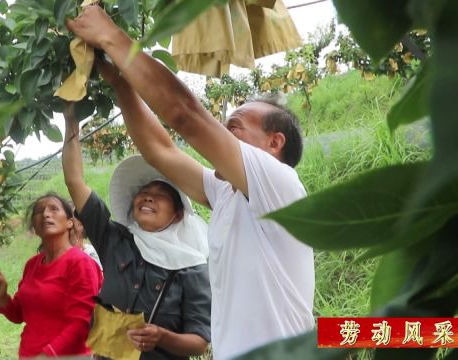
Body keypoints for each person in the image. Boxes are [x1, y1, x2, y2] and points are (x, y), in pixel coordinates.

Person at [67, 6, 315, 359]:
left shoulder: (279, 184)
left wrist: (110, 34)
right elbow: (159, 150)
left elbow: (185, 114)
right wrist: (120, 83)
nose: (222, 140)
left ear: (275, 143)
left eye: (235, 128)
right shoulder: (229, 193)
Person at [62, 104, 211, 360]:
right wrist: (71, 123)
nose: (149, 198)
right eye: (144, 193)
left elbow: (199, 342)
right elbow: (75, 181)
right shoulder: (115, 239)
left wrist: (162, 337)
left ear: (177, 214)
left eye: (161, 195)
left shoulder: (192, 265)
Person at [0, 193, 103, 358]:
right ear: (34, 225)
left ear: (69, 222)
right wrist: (2, 297)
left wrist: (47, 355)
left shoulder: (81, 263)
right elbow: (20, 315)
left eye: (54, 209)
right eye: (39, 211)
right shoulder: (32, 265)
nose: (46, 214)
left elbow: (82, 323)